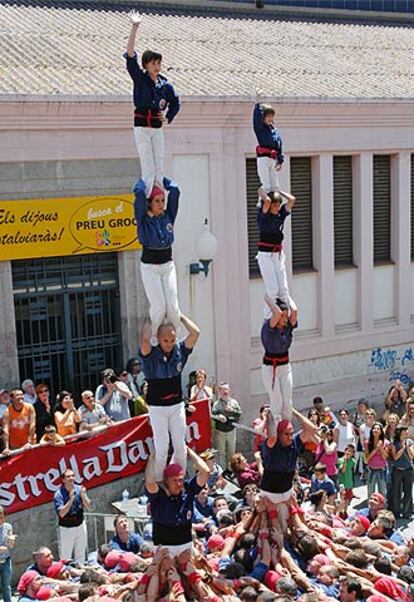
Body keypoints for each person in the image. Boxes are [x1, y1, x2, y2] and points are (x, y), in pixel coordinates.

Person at [124, 11, 180, 197]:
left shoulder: (165, 85)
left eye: (159, 63)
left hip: (157, 128)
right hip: (142, 127)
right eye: (153, 63)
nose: (156, 66)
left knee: (159, 164)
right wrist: (135, 27)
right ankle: (148, 199)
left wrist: (168, 117)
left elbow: (176, 102)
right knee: (148, 165)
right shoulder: (140, 79)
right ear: (146, 65)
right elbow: (130, 55)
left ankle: (159, 200)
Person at [139, 313, 200, 481]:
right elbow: (144, 341)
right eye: (165, 340)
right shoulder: (151, 355)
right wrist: (150, 318)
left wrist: (179, 316)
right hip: (157, 407)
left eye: (172, 340)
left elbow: (195, 333)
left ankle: (178, 477)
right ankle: (159, 481)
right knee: (162, 447)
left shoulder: (179, 350)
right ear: (158, 339)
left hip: (176, 404)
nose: (169, 344)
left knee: (180, 446)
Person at [134, 175, 181, 342]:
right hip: (150, 267)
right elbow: (139, 193)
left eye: (163, 201)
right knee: (159, 307)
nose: (161, 205)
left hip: (167, 265)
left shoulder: (168, 216)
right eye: (157, 201)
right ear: (150, 203)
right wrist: (147, 179)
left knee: (173, 308)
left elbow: (175, 190)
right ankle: (154, 337)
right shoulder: (143, 220)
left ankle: (175, 338)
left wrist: (161, 178)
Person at [144, 447, 210, 555]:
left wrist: (189, 452)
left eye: (180, 480)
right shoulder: (159, 494)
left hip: (185, 545)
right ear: (166, 481)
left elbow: (205, 472)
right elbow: (150, 483)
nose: (178, 484)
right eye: (174, 480)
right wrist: (151, 459)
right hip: (164, 546)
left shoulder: (188, 489)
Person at [260, 408, 317, 530]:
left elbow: (312, 429)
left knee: (290, 526)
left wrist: (293, 411)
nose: (290, 437)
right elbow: (272, 437)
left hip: (286, 492)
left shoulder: (295, 441)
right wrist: (270, 418)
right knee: (272, 527)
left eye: (291, 433)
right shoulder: (271, 445)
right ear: (279, 434)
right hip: (270, 493)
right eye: (286, 434)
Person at [256, 189, 296, 315]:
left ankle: (286, 316)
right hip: (266, 255)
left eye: (278, 205)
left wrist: (279, 191)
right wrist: (262, 191)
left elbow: (292, 200)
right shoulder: (263, 217)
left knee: (283, 289)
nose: (277, 207)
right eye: (275, 205)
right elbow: (267, 201)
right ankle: (270, 316)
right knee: (273, 290)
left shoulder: (280, 214)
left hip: (278, 255)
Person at [261, 295, 298, 423]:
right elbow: (276, 313)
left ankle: (286, 428)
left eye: (285, 316)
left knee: (287, 402)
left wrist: (286, 295)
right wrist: (269, 299)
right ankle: (276, 428)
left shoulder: (287, 327)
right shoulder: (268, 327)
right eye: (283, 316)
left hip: (285, 366)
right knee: (277, 401)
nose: (285, 319)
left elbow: (295, 311)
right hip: (270, 368)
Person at [53, 468, 91, 564]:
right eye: (68, 476)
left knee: (81, 553)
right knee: (66, 556)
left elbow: (88, 506)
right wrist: (70, 500)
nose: (71, 478)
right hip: (67, 528)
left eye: (73, 475)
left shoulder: (79, 489)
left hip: (80, 525)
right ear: (63, 480)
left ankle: (81, 573)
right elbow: (61, 513)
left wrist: (83, 496)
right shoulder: (58, 495)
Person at [253, 100, 284, 194]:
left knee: (275, 185)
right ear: (263, 117)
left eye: (272, 116)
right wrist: (257, 105)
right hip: (264, 158)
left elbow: (279, 145)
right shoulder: (260, 129)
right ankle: (261, 204)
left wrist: (280, 161)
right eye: (268, 116)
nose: (270, 118)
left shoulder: (274, 130)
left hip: (273, 158)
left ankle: (275, 205)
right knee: (266, 185)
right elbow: (256, 119)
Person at [211, 382, 242, 470]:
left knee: (231, 452)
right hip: (220, 432)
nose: (225, 391)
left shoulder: (234, 402)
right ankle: (223, 471)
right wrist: (218, 416)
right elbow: (212, 415)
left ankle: (230, 470)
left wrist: (232, 410)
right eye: (223, 389)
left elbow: (239, 413)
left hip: (231, 431)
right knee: (221, 453)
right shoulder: (217, 404)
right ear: (220, 391)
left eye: (226, 389)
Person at [389, 425, 414, 519]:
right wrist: (402, 448)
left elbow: (411, 456)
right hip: (397, 470)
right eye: (405, 431)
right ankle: (396, 512)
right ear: (400, 433)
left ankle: (407, 512)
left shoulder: (410, 442)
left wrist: (407, 447)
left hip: (408, 470)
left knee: (408, 491)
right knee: (396, 491)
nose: (407, 432)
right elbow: (395, 457)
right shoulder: (394, 443)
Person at [2, 388, 36, 455]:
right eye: (17, 395)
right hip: (15, 446)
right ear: (12, 399)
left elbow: (32, 425)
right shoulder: (7, 411)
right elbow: (5, 430)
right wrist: (6, 448)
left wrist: (29, 442)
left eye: (21, 394)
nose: (20, 396)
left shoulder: (29, 407)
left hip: (30, 443)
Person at [364, 422, 389, 498]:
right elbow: (366, 460)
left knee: (383, 492)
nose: (376, 430)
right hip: (371, 470)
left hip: (382, 470)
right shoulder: (367, 442)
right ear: (371, 430)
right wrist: (375, 449)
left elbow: (385, 458)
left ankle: (383, 508)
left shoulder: (386, 442)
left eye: (378, 429)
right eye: (374, 428)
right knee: (370, 492)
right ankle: (371, 507)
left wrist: (381, 449)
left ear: (381, 432)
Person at [0, 505, 16, 602]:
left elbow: (11, 546)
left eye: (1, 516)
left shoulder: (8, 526)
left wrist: (11, 540)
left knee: (6, 586)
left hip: (6, 560)